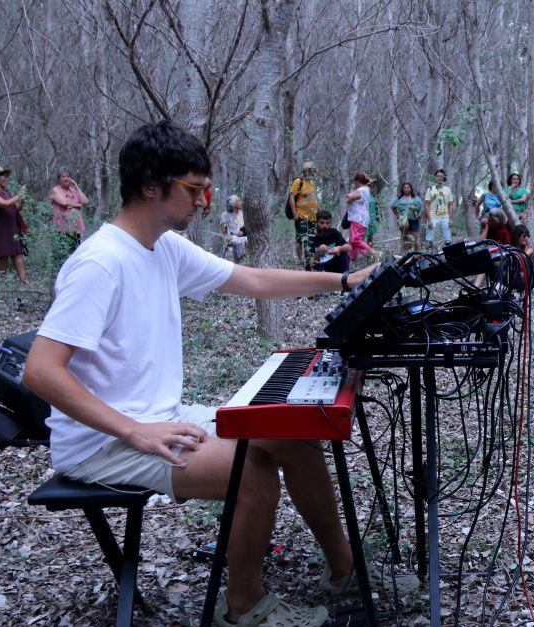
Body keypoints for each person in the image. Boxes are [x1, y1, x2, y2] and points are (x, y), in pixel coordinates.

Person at [22, 121, 387, 627]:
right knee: (252, 470)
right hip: (102, 440)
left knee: (290, 435)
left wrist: (347, 278)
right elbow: (40, 371)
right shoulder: (101, 263)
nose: (203, 202)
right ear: (152, 186)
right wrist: (135, 430)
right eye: (194, 190)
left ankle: (344, 569)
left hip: (159, 415)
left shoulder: (163, 247)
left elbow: (254, 279)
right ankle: (242, 606)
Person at [0, 165, 30, 285]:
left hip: (11, 228)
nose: (6, 179)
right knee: (3, 256)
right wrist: (19, 195)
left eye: (7, 177)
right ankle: (1, 283)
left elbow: (15, 208)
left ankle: (24, 280)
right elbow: (4, 204)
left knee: (17, 254)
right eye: (3, 176)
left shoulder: (7, 193)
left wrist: (23, 200)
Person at [50, 167, 89, 262]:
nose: (66, 178)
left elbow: (86, 201)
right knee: (62, 255)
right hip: (62, 228)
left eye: (68, 176)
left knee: (75, 254)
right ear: (59, 179)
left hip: (75, 228)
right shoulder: (56, 190)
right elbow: (64, 203)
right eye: (63, 177)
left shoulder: (74, 190)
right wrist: (78, 205)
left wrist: (76, 186)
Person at [288, 161, 319, 268]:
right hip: (301, 216)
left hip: (312, 217)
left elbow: (313, 198)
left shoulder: (312, 183)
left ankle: (309, 259)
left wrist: (320, 211)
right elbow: (292, 197)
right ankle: (300, 260)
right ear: (306, 171)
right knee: (300, 239)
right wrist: (294, 213)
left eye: (313, 171)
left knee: (310, 239)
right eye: (310, 170)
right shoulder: (298, 181)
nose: (312, 173)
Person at [343, 172, 373, 261]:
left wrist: (349, 195)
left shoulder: (362, 190)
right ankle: (352, 258)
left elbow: (350, 197)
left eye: (355, 182)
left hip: (358, 218)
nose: (354, 184)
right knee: (352, 241)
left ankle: (372, 252)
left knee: (355, 239)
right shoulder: (366, 189)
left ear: (357, 181)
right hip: (359, 218)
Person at [423, 169, 454, 249]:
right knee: (430, 239)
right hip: (433, 216)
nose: (439, 178)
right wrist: (429, 220)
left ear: (444, 177)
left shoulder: (447, 190)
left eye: (441, 176)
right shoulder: (430, 189)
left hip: (445, 216)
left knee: (447, 239)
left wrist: (450, 219)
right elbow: (427, 204)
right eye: (437, 176)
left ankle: (449, 256)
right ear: (435, 178)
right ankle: (430, 254)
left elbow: (450, 205)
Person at [391, 182, 424, 254]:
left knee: (414, 238)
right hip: (403, 220)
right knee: (405, 238)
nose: (406, 189)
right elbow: (392, 207)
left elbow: (421, 208)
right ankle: (406, 255)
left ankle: (417, 254)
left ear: (411, 188)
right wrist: (398, 215)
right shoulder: (399, 199)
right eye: (404, 188)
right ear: (402, 189)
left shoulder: (416, 198)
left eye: (408, 187)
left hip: (414, 220)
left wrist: (419, 214)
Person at [218, 195, 245, 262]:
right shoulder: (225, 215)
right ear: (233, 204)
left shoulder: (242, 214)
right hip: (230, 242)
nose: (240, 202)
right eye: (238, 200)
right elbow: (223, 230)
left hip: (242, 241)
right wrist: (226, 237)